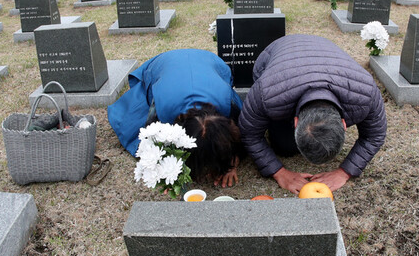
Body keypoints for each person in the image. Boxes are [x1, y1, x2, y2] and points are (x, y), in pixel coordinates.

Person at [239, 34, 387, 193]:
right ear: (294, 123)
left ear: (344, 124)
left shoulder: (365, 92)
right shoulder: (267, 92)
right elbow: (249, 133)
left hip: (326, 48)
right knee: (284, 146)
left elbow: (375, 135)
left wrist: (344, 172)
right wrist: (279, 172)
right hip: (276, 54)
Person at [108, 49, 243, 187]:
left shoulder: (227, 101)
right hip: (164, 63)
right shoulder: (162, 107)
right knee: (132, 126)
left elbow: (238, 136)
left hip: (210, 61)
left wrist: (231, 163)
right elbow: (149, 137)